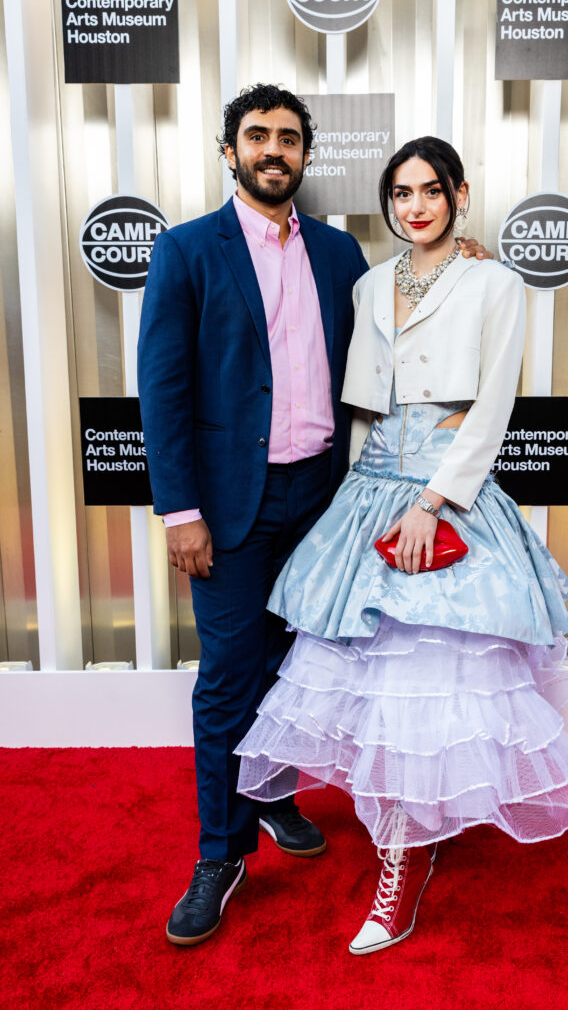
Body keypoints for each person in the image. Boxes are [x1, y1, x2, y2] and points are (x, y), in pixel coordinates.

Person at [138, 85, 491, 947]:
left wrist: (463, 259)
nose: (272, 149)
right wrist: (180, 511)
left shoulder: (340, 258)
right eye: (256, 136)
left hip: (324, 502)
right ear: (230, 152)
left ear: (305, 154)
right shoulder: (186, 251)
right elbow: (164, 389)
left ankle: (272, 797)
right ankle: (219, 856)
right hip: (227, 507)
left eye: (288, 138)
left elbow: (408, 303)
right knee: (228, 676)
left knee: (298, 669)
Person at [235, 136, 568, 955]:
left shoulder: (496, 282)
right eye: (401, 193)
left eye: (432, 190)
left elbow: (493, 402)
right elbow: (363, 407)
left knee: (426, 690)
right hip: (368, 494)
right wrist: (351, 513)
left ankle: (401, 870)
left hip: (446, 496)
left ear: (460, 195)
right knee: (369, 695)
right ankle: (407, 840)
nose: (416, 206)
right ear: (388, 202)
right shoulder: (365, 285)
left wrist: (435, 501)